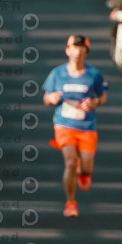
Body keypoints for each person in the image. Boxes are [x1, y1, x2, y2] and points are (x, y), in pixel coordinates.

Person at [43, 35, 108, 217]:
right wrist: (51, 98)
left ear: (86, 52)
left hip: (87, 126)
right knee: (70, 162)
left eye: (81, 48)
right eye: (74, 47)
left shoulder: (94, 74)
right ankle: (70, 203)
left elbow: (103, 97)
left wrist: (94, 102)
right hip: (64, 125)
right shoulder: (57, 73)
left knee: (87, 168)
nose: (77, 52)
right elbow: (46, 98)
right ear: (67, 50)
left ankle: (83, 172)